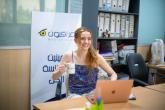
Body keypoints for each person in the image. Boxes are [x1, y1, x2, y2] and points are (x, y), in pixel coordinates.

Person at [52, 27, 117, 97]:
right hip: (74, 95)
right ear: (75, 40)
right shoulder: (68, 56)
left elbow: (113, 74)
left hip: (93, 94)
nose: (86, 42)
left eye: (89, 39)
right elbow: (54, 77)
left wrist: (111, 83)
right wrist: (60, 72)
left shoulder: (96, 57)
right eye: (82, 39)